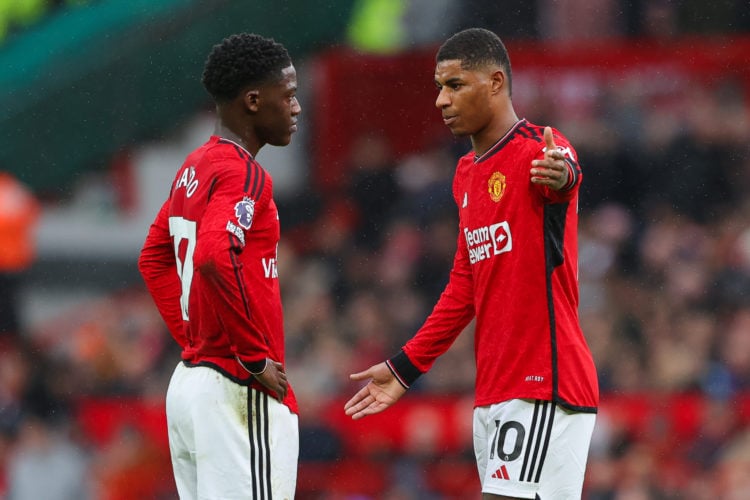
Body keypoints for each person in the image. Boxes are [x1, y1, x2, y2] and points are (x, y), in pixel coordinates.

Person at [345, 28, 599, 499]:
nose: (441, 100)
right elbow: (464, 287)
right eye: (439, 88)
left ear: (496, 82)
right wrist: (404, 367)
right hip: (496, 391)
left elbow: (564, 173)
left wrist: (562, 175)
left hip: (543, 382)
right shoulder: (467, 173)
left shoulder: (537, 147)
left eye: (455, 85)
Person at [138, 33, 301, 499]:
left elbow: (153, 257)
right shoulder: (244, 172)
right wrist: (252, 356)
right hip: (235, 387)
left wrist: (194, 338)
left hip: (191, 384)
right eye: (287, 95)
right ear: (253, 100)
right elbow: (212, 254)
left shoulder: (196, 165)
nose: (296, 107)